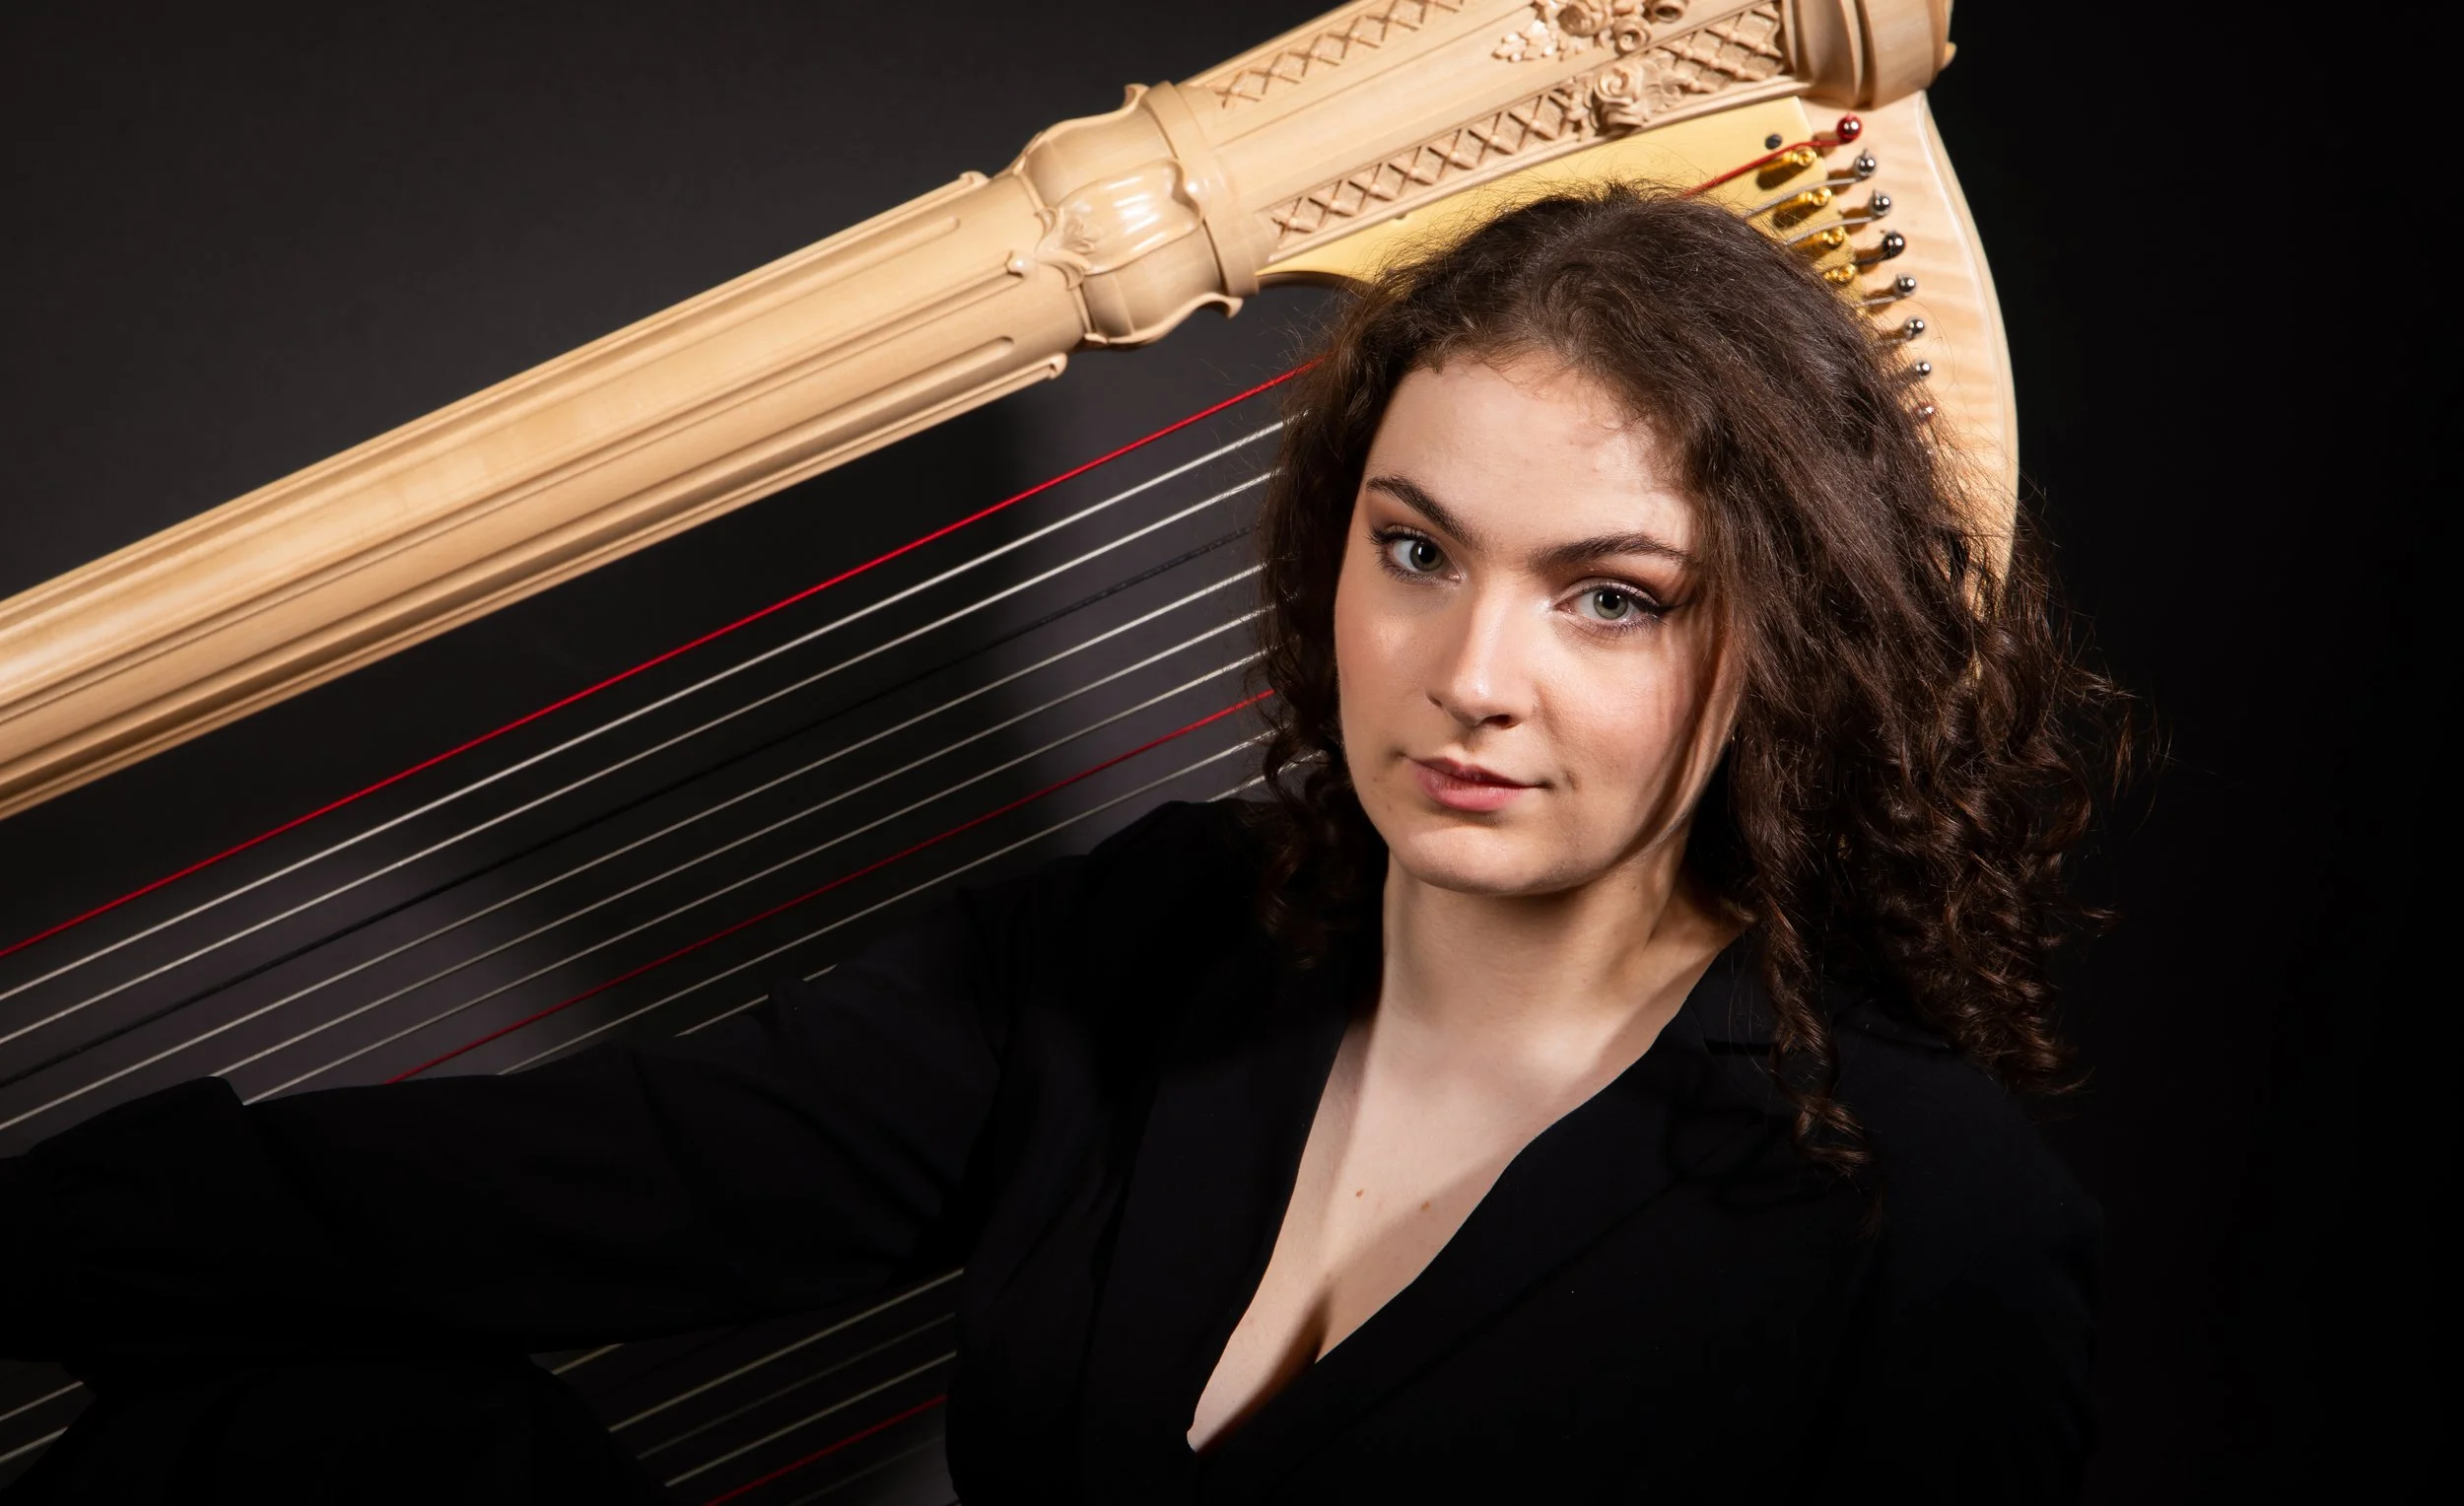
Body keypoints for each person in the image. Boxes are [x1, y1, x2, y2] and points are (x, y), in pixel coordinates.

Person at [0, 186, 2120, 1503]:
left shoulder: (1919, 1215)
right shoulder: (1163, 942)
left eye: (1607, 593)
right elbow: (552, 1194)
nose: (1470, 670)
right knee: (310, 1438)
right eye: (1415, 550)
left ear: (1776, 643)